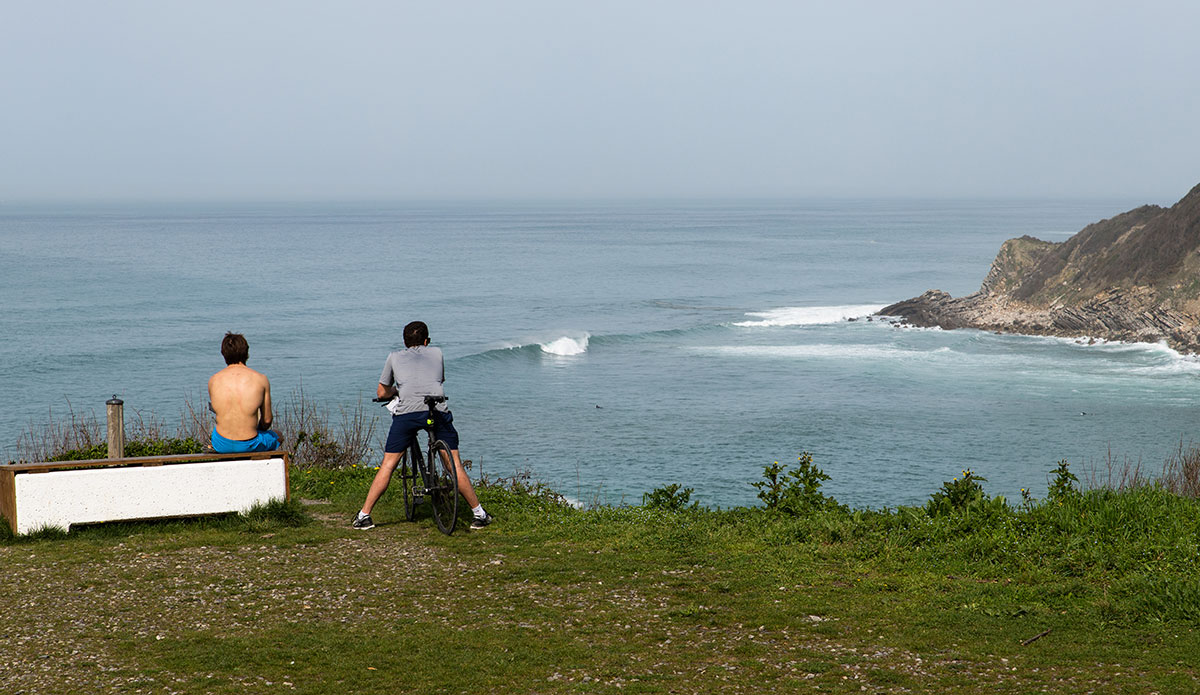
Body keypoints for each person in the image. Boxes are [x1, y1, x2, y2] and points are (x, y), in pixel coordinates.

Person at [353, 321, 493, 530]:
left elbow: (381, 393)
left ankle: (364, 516)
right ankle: (478, 514)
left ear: (404, 342)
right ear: (427, 341)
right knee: (453, 463)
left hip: (407, 414)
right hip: (435, 410)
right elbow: (436, 379)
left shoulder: (393, 357)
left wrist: (397, 392)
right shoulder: (437, 353)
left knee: (389, 464)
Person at [207, 332, 282, 453]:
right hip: (249, 444)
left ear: (223, 354)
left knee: (218, 432)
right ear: (247, 353)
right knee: (277, 436)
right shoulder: (260, 379)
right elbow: (267, 420)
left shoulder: (214, 380)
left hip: (221, 443)